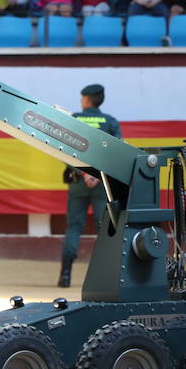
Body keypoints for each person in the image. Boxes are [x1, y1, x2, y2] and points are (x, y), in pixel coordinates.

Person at [58, 84, 120, 288]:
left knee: (74, 227)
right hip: (102, 184)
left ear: (85, 99)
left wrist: (83, 173)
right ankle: (107, 276)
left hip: (78, 182)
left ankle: (65, 275)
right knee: (105, 229)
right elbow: (116, 152)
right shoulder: (110, 122)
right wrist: (96, 175)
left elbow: (64, 150)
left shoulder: (73, 119)